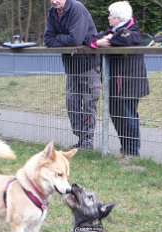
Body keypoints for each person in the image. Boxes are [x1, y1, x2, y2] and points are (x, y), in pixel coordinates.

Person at [90, 1, 149, 159]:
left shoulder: (132, 31)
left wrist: (107, 39)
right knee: (117, 115)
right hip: (116, 83)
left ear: (118, 18)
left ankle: (131, 152)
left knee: (128, 116)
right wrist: (99, 42)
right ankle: (126, 149)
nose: (108, 18)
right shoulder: (115, 30)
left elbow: (126, 39)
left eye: (111, 15)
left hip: (128, 83)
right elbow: (92, 38)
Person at [44, 0, 100, 150]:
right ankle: (81, 138)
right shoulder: (52, 13)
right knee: (72, 102)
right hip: (70, 65)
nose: (54, 1)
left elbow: (76, 39)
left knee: (89, 103)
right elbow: (47, 39)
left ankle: (88, 141)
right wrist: (65, 39)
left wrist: (59, 38)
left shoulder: (77, 9)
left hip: (88, 64)